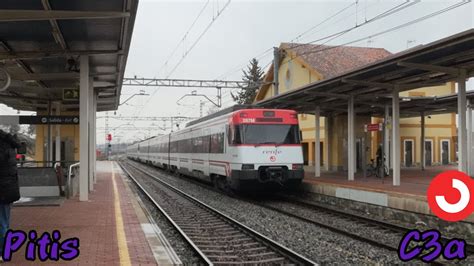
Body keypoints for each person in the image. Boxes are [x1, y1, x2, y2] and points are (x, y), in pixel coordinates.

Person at [0, 130, 21, 261]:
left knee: (2, 223)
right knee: (4, 222)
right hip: (8, 190)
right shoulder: (10, 148)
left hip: (2, 189)